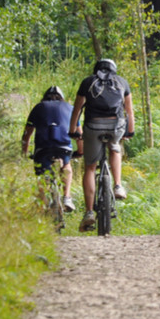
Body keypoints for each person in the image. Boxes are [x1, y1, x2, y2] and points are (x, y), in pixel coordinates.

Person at [69, 58, 135, 232]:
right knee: (115, 147)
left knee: (90, 167)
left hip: (93, 125)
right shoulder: (122, 82)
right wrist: (130, 131)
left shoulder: (88, 82)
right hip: (116, 125)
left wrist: (72, 130)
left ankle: (89, 212)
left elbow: (77, 109)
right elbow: (129, 111)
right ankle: (118, 185)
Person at [22, 86, 78, 213]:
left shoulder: (38, 107)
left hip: (43, 147)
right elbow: (79, 134)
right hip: (63, 146)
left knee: (41, 174)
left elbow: (27, 133)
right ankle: (67, 197)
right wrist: (80, 151)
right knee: (67, 166)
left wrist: (24, 152)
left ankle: (42, 203)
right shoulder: (70, 108)